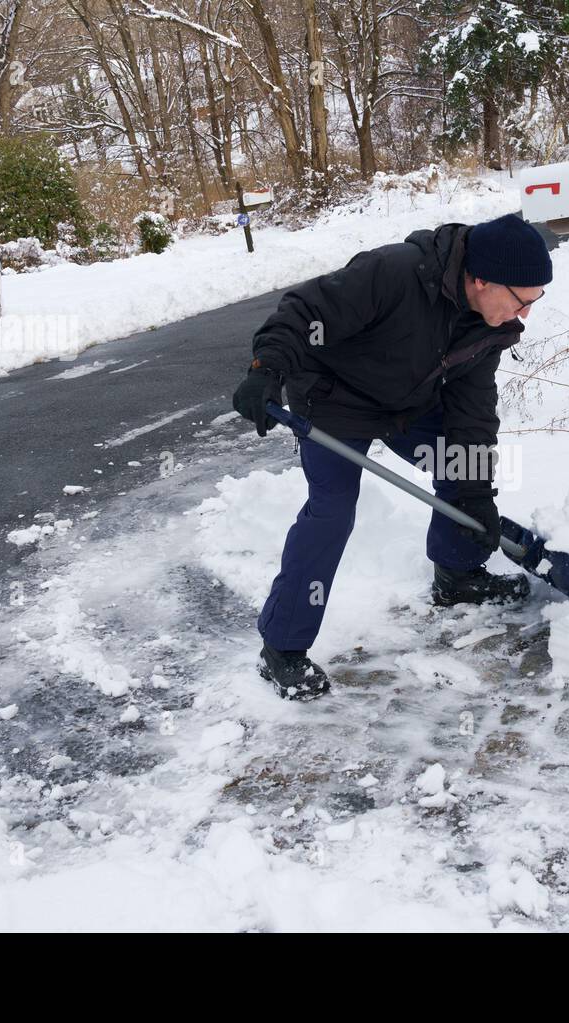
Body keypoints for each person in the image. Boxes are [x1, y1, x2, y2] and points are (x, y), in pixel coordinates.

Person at [232, 213, 552, 700]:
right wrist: (266, 368)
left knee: (460, 465)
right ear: (482, 279)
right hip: (334, 402)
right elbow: (303, 312)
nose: (525, 313)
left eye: (535, 301)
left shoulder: (489, 328)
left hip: (406, 404)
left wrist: (475, 497)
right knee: (331, 513)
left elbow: (471, 417)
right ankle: (281, 648)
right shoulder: (395, 273)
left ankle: (457, 574)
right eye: (521, 300)